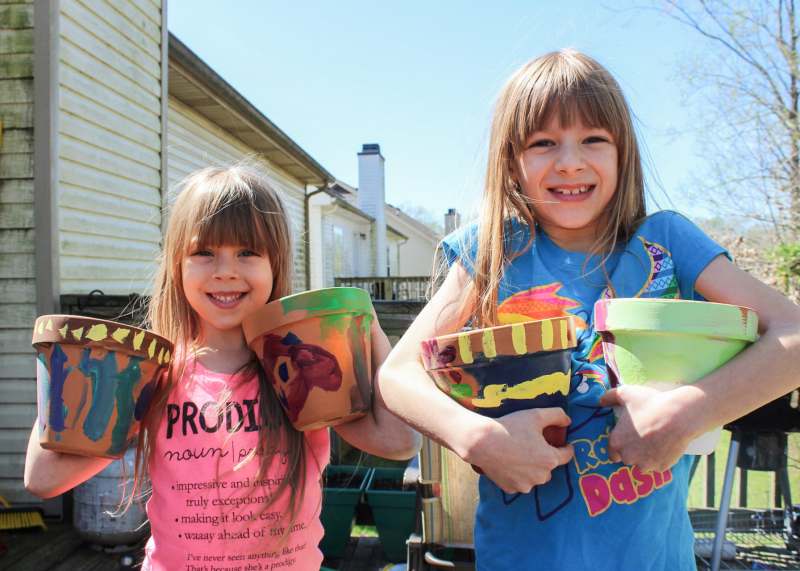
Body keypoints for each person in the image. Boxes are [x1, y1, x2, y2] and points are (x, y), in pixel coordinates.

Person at [378, 49, 800, 570]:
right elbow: (397, 376)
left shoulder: (667, 244)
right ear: (511, 160)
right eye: (543, 143)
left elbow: (793, 335)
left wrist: (691, 411)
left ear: (623, 153)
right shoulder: (491, 252)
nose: (570, 161)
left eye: (594, 140)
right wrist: (477, 438)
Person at [24, 165, 420, 570]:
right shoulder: (152, 377)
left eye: (248, 252)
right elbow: (43, 479)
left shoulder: (302, 371)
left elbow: (399, 441)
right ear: (177, 266)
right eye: (204, 252)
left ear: (276, 264)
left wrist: (363, 320)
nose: (226, 270)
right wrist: (64, 365)